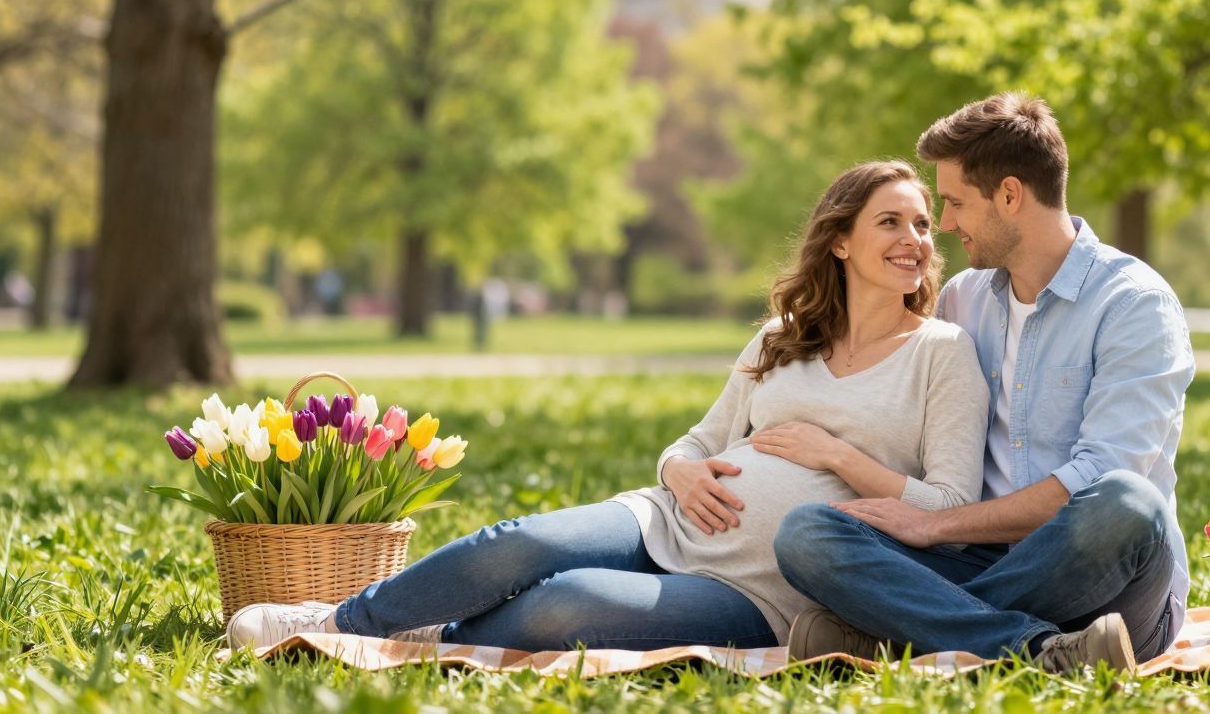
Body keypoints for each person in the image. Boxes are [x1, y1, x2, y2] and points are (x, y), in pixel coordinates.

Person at [226, 160, 989, 652]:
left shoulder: (943, 352)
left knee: (566, 605)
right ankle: (336, 621)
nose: (916, 238)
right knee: (516, 542)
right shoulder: (781, 337)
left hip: (757, 591)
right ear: (840, 242)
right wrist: (679, 472)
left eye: (924, 224)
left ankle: (432, 632)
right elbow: (696, 442)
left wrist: (839, 458)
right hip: (664, 518)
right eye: (891, 221)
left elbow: (951, 510)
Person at [773, 93, 1196, 674]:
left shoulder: (1134, 304)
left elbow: (1099, 475)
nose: (944, 224)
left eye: (954, 203)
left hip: (1107, 581)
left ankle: (906, 632)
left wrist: (933, 526)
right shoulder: (963, 300)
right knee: (807, 533)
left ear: (1010, 195)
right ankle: (1041, 650)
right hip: (978, 561)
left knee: (1128, 503)